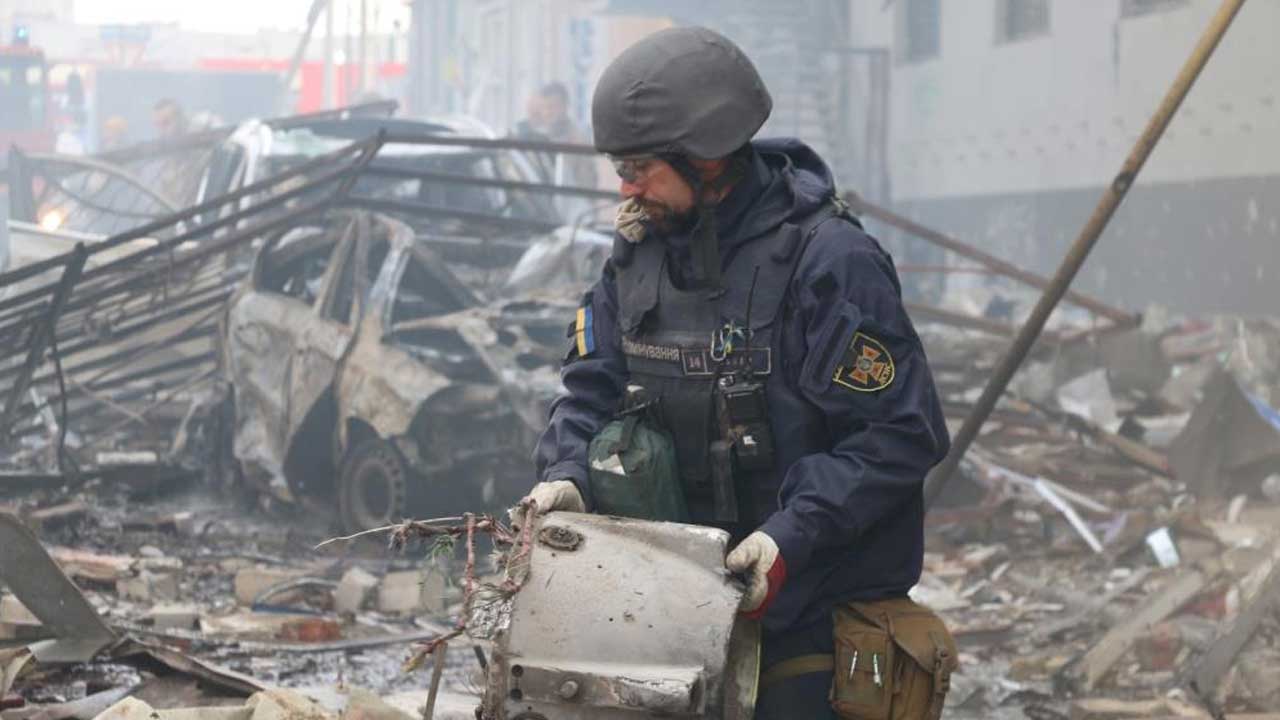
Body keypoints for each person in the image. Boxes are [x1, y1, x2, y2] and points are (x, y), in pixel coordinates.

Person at [526, 27, 954, 718]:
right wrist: (567, 473)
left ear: (709, 159)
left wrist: (789, 537)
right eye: (620, 167)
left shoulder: (830, 262)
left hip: (807, 621)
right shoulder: (639, 258)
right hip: (669, 618)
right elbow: (589, 386)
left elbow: (897, 436)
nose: (625, 187)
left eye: (640, 167)